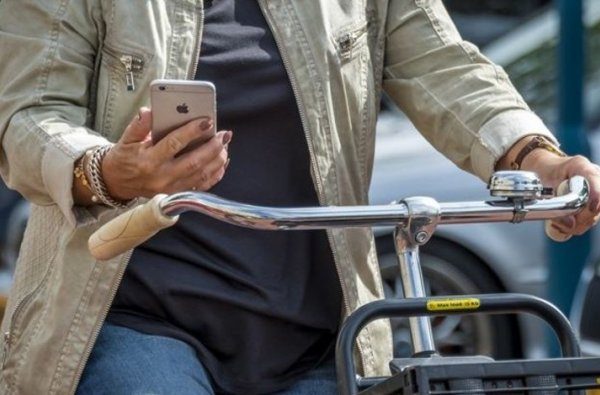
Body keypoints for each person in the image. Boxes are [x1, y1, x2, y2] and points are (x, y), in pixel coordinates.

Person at [0, 1, 598, 394]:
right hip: (138, 318)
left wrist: (535, 156)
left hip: (317, 331)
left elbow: (442, 64)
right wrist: (113, 170)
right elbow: (28, 114)